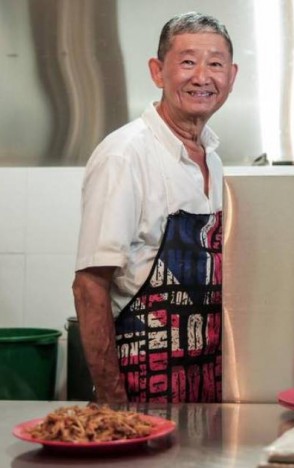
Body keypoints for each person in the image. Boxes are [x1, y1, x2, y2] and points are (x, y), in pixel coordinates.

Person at [72, 12, 238, 403]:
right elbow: (89, 285)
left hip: (207, 390)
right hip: (140, 392)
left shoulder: (212, 156)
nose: (202, 76)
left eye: (215, 64)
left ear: (231, 75)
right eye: (187, 62)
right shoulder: (125, 155)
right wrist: (115, 406)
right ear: (157, 71)